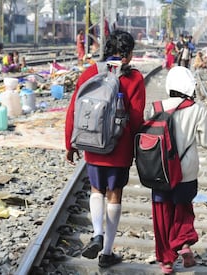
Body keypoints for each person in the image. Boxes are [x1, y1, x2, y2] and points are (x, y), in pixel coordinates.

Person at [149, 66, 207, 275]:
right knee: (183, 208)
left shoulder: (154, 107)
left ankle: (166, 261)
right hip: (186, 171)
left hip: (160, 170)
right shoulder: (197, 110)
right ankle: (183, 244)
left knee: (162, 213)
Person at [65, 30, 146, 268]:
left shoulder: (92, 72)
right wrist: (134, 145)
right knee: (115, 194)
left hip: (92, 142)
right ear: (129, 55)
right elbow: (137, 117)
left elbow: (74, 108)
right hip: (118, 146)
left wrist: (69, 143)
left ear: (108, 50)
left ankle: (97, 233)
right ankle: (107, 252)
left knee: (96, 190)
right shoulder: (134, 78)